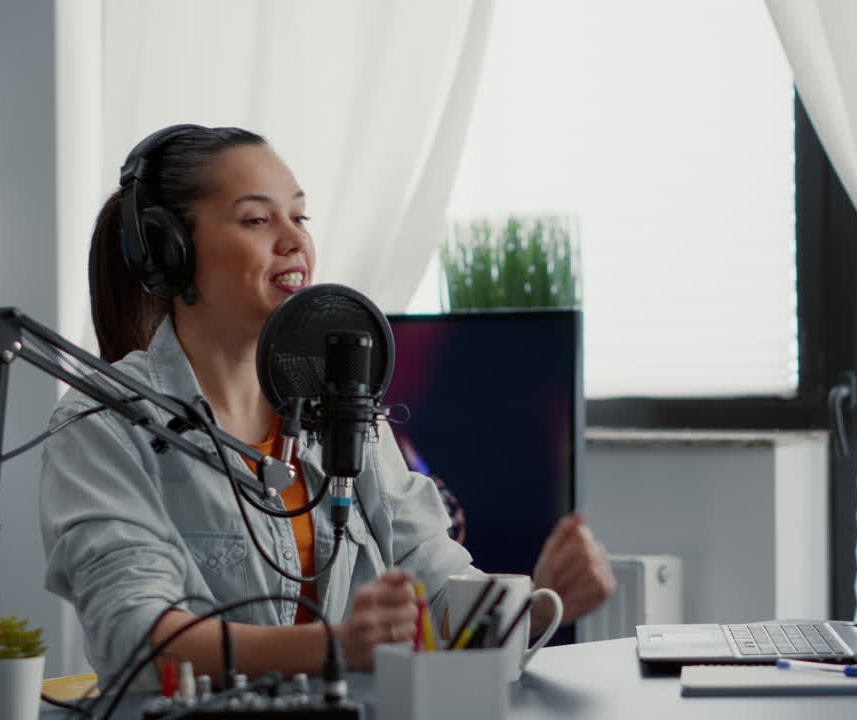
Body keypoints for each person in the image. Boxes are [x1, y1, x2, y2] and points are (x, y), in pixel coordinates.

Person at [39, 124, 614, 684]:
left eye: (300, 217)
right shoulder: (104, 424)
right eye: (257, 219)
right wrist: (335, 647)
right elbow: (133, 637)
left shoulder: (345, 402)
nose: (295, 241)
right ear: (169, 252)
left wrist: (541, 603)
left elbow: (438, 595)